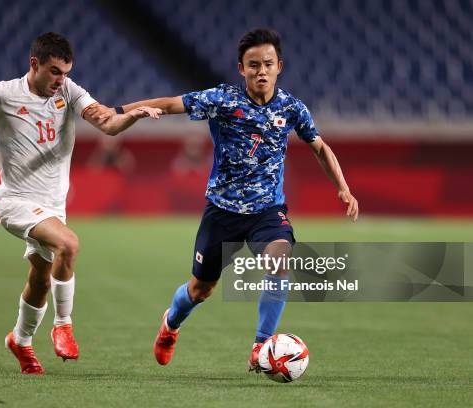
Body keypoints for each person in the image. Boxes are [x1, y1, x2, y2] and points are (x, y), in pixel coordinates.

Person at [98, 28, 359, 370]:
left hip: (268, 211)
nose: (260, 71)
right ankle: (171, 324)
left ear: (279, 66)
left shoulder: (292, 108)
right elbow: (168, 103)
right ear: (241, 68)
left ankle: (261, 346)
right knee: (200, 289)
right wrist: (116, 109)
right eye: (253, 65)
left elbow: (320, 147)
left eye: (267, 64)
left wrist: (343, 186)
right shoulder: (223, 100)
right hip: (222, 212)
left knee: (280, 257)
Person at [0, 32, 161, 374]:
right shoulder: (3, 94)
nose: (61, 81)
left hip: (53, 207)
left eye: (66, 72)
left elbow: (107, 122)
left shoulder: (70, 92)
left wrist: (135, 115)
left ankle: (21, 340)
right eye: (55, 72)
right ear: (35, 64)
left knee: (42, 278)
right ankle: (63, 325)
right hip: (15, 201)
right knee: (69, 244)